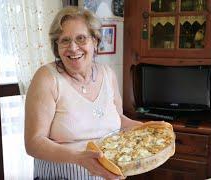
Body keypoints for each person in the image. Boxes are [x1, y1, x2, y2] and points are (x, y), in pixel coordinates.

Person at [24, 6, 143, 180]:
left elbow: (117, 120)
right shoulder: (47, 78)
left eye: (81, 38)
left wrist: (146, 128)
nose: (73, 48)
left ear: (95, 41)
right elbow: (33, 143)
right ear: (56, 47)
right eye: (64, 40)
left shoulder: (108, 74)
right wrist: (79, 158)